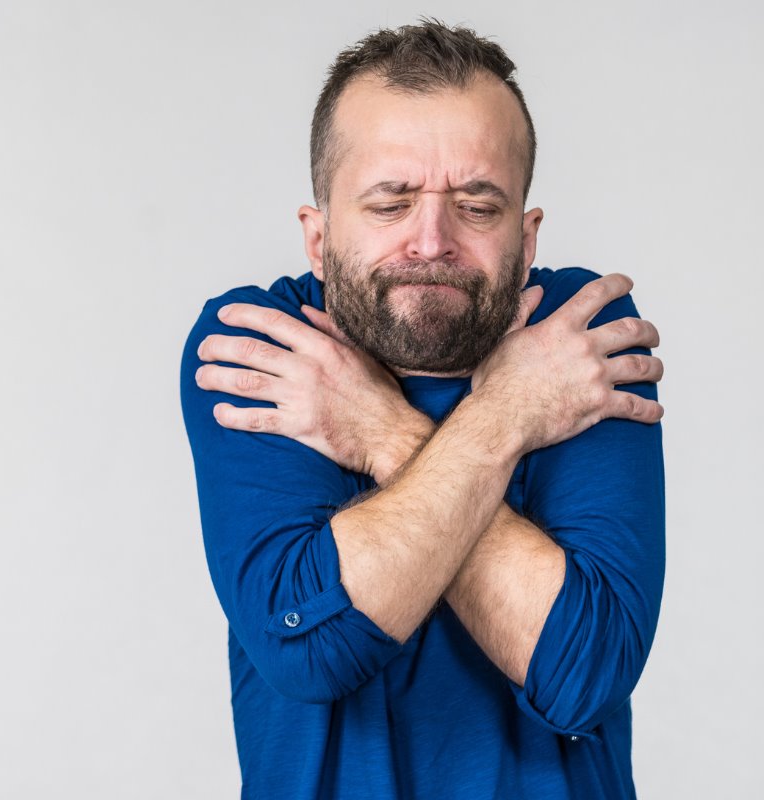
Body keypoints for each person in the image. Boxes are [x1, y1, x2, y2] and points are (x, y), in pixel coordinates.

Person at [179, 20, 665, 800]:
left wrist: (379, 430)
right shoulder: (261, 345)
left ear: (527, 235)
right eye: (389, 203)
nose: (431, 241)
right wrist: (508, 416)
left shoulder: (578, 335)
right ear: (318, 234)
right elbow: (307, 650)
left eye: (476, 205)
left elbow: (586, 672)